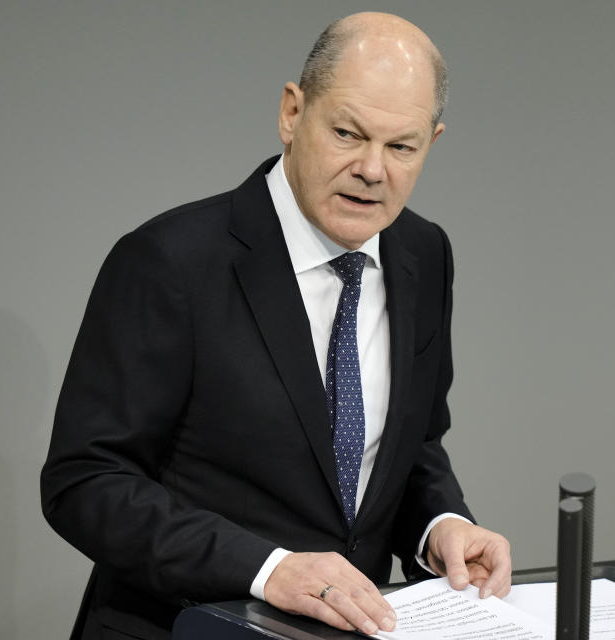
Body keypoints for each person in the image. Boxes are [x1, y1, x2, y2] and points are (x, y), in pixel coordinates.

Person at [41, 11, 511, 640]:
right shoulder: (171, 261)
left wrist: (441, 526)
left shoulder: (424, 254)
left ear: (433, 141)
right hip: (184, 626)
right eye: (348, 133)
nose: (373, 169)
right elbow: (86, 481)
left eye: (402, 146)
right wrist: (268, 570)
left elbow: (413, 445)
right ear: (293, 112)